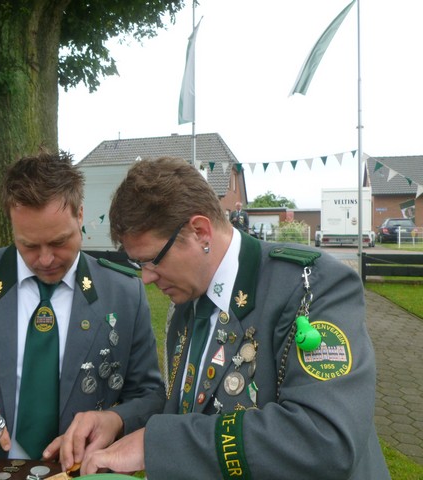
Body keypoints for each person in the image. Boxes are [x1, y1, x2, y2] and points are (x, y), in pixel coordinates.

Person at [69, 157, 388, 479]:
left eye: (152, 260)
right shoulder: (188, 300)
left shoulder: (310, 286)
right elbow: (194, 400)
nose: (147, 278)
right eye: (139, 265)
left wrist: (156, 444)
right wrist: (120, 420)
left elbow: (324, 439)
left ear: (200, 231)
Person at [0, 150, 164, 461]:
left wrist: (115, 419)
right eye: (28, 245)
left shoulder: (124, 293)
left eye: (58, 242)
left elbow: (149, 396)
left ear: (80, 215)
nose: (45, 259)